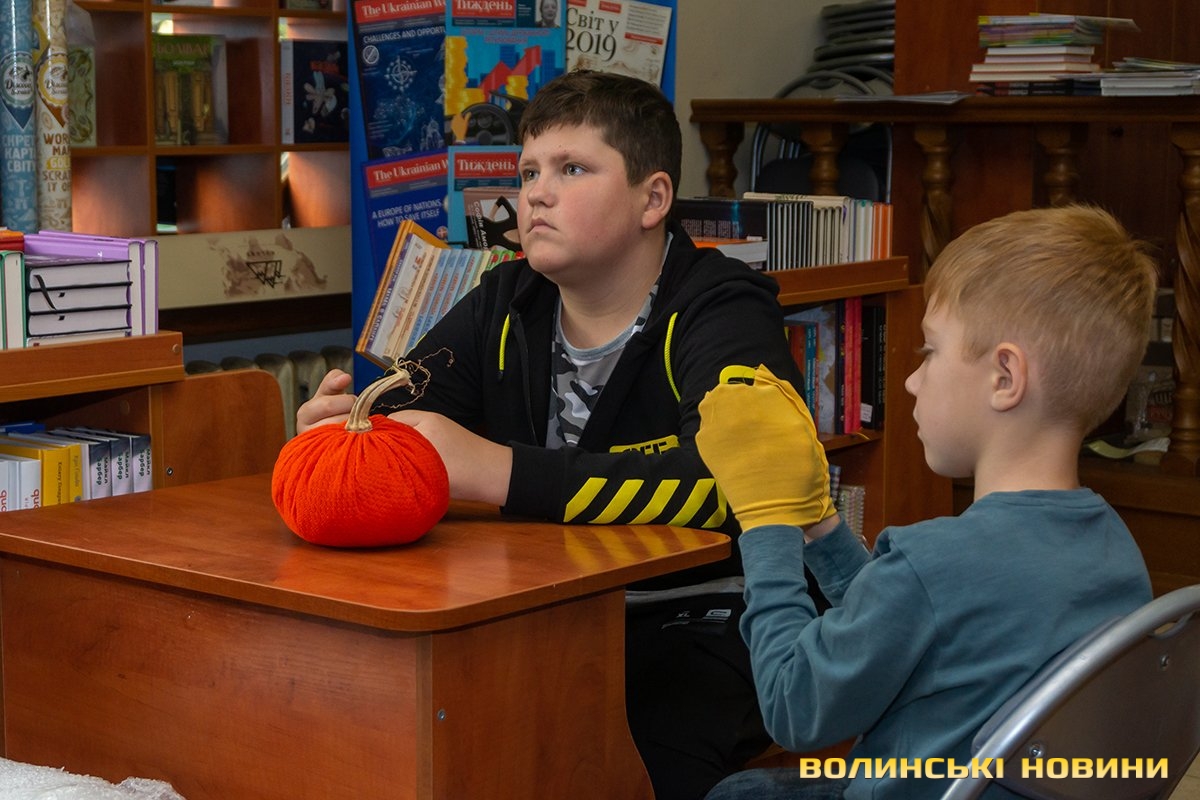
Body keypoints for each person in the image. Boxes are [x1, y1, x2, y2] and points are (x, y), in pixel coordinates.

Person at [297, 69, 808, 800]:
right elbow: (393, 422)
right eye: (529, 171)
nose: (535, 194)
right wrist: (338, 432)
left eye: (572, 169)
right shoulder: (504, 300)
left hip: (707, 618)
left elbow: (732, 487)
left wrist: (498, 471)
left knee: (631, 753)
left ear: (653, 199)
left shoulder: (722, 307)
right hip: (539, 614)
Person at [694, 204, 1159, 800]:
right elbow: (908, 624)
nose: (912, 380)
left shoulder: (934, 563)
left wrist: (767, 524)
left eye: (930, 351)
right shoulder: (1115, 547)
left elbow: (793, 708)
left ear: (1005, 377)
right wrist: (821, 524)